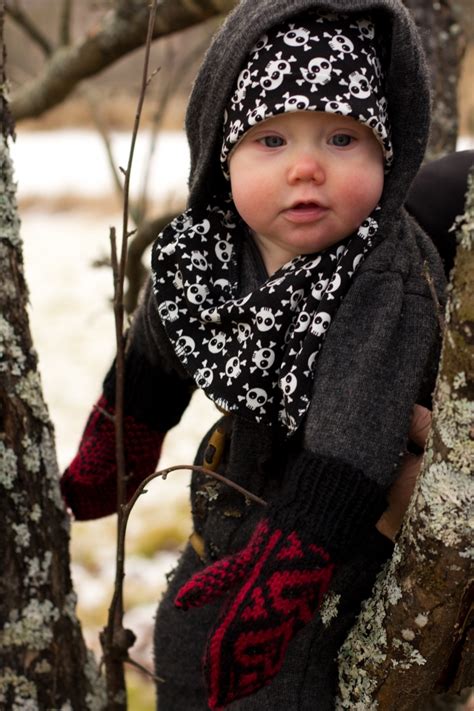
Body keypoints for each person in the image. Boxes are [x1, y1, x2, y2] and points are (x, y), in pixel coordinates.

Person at [61, 1, 449, 709]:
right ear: (222, 153)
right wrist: (122, 437)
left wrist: (284, 577)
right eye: (271, 140)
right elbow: (159, 342)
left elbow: (352, 439)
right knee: (188, 634)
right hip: (232, 485)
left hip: (347, 523)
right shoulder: (208, 248)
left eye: (340, 137)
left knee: (291, 678)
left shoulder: (381, 277)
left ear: (386, 151)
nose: (306, 167)